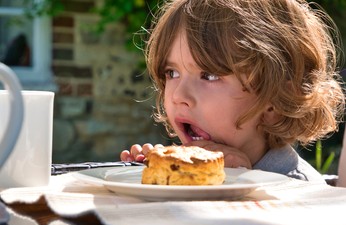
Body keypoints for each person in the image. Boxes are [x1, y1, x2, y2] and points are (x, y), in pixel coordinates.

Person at [120, 0, 345, 183]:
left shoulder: (299, 197)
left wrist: (235, 184)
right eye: (172, 73)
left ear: (273, 100)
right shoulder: (188, 172)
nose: (179, 96)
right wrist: (149, 184)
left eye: (209, 75)